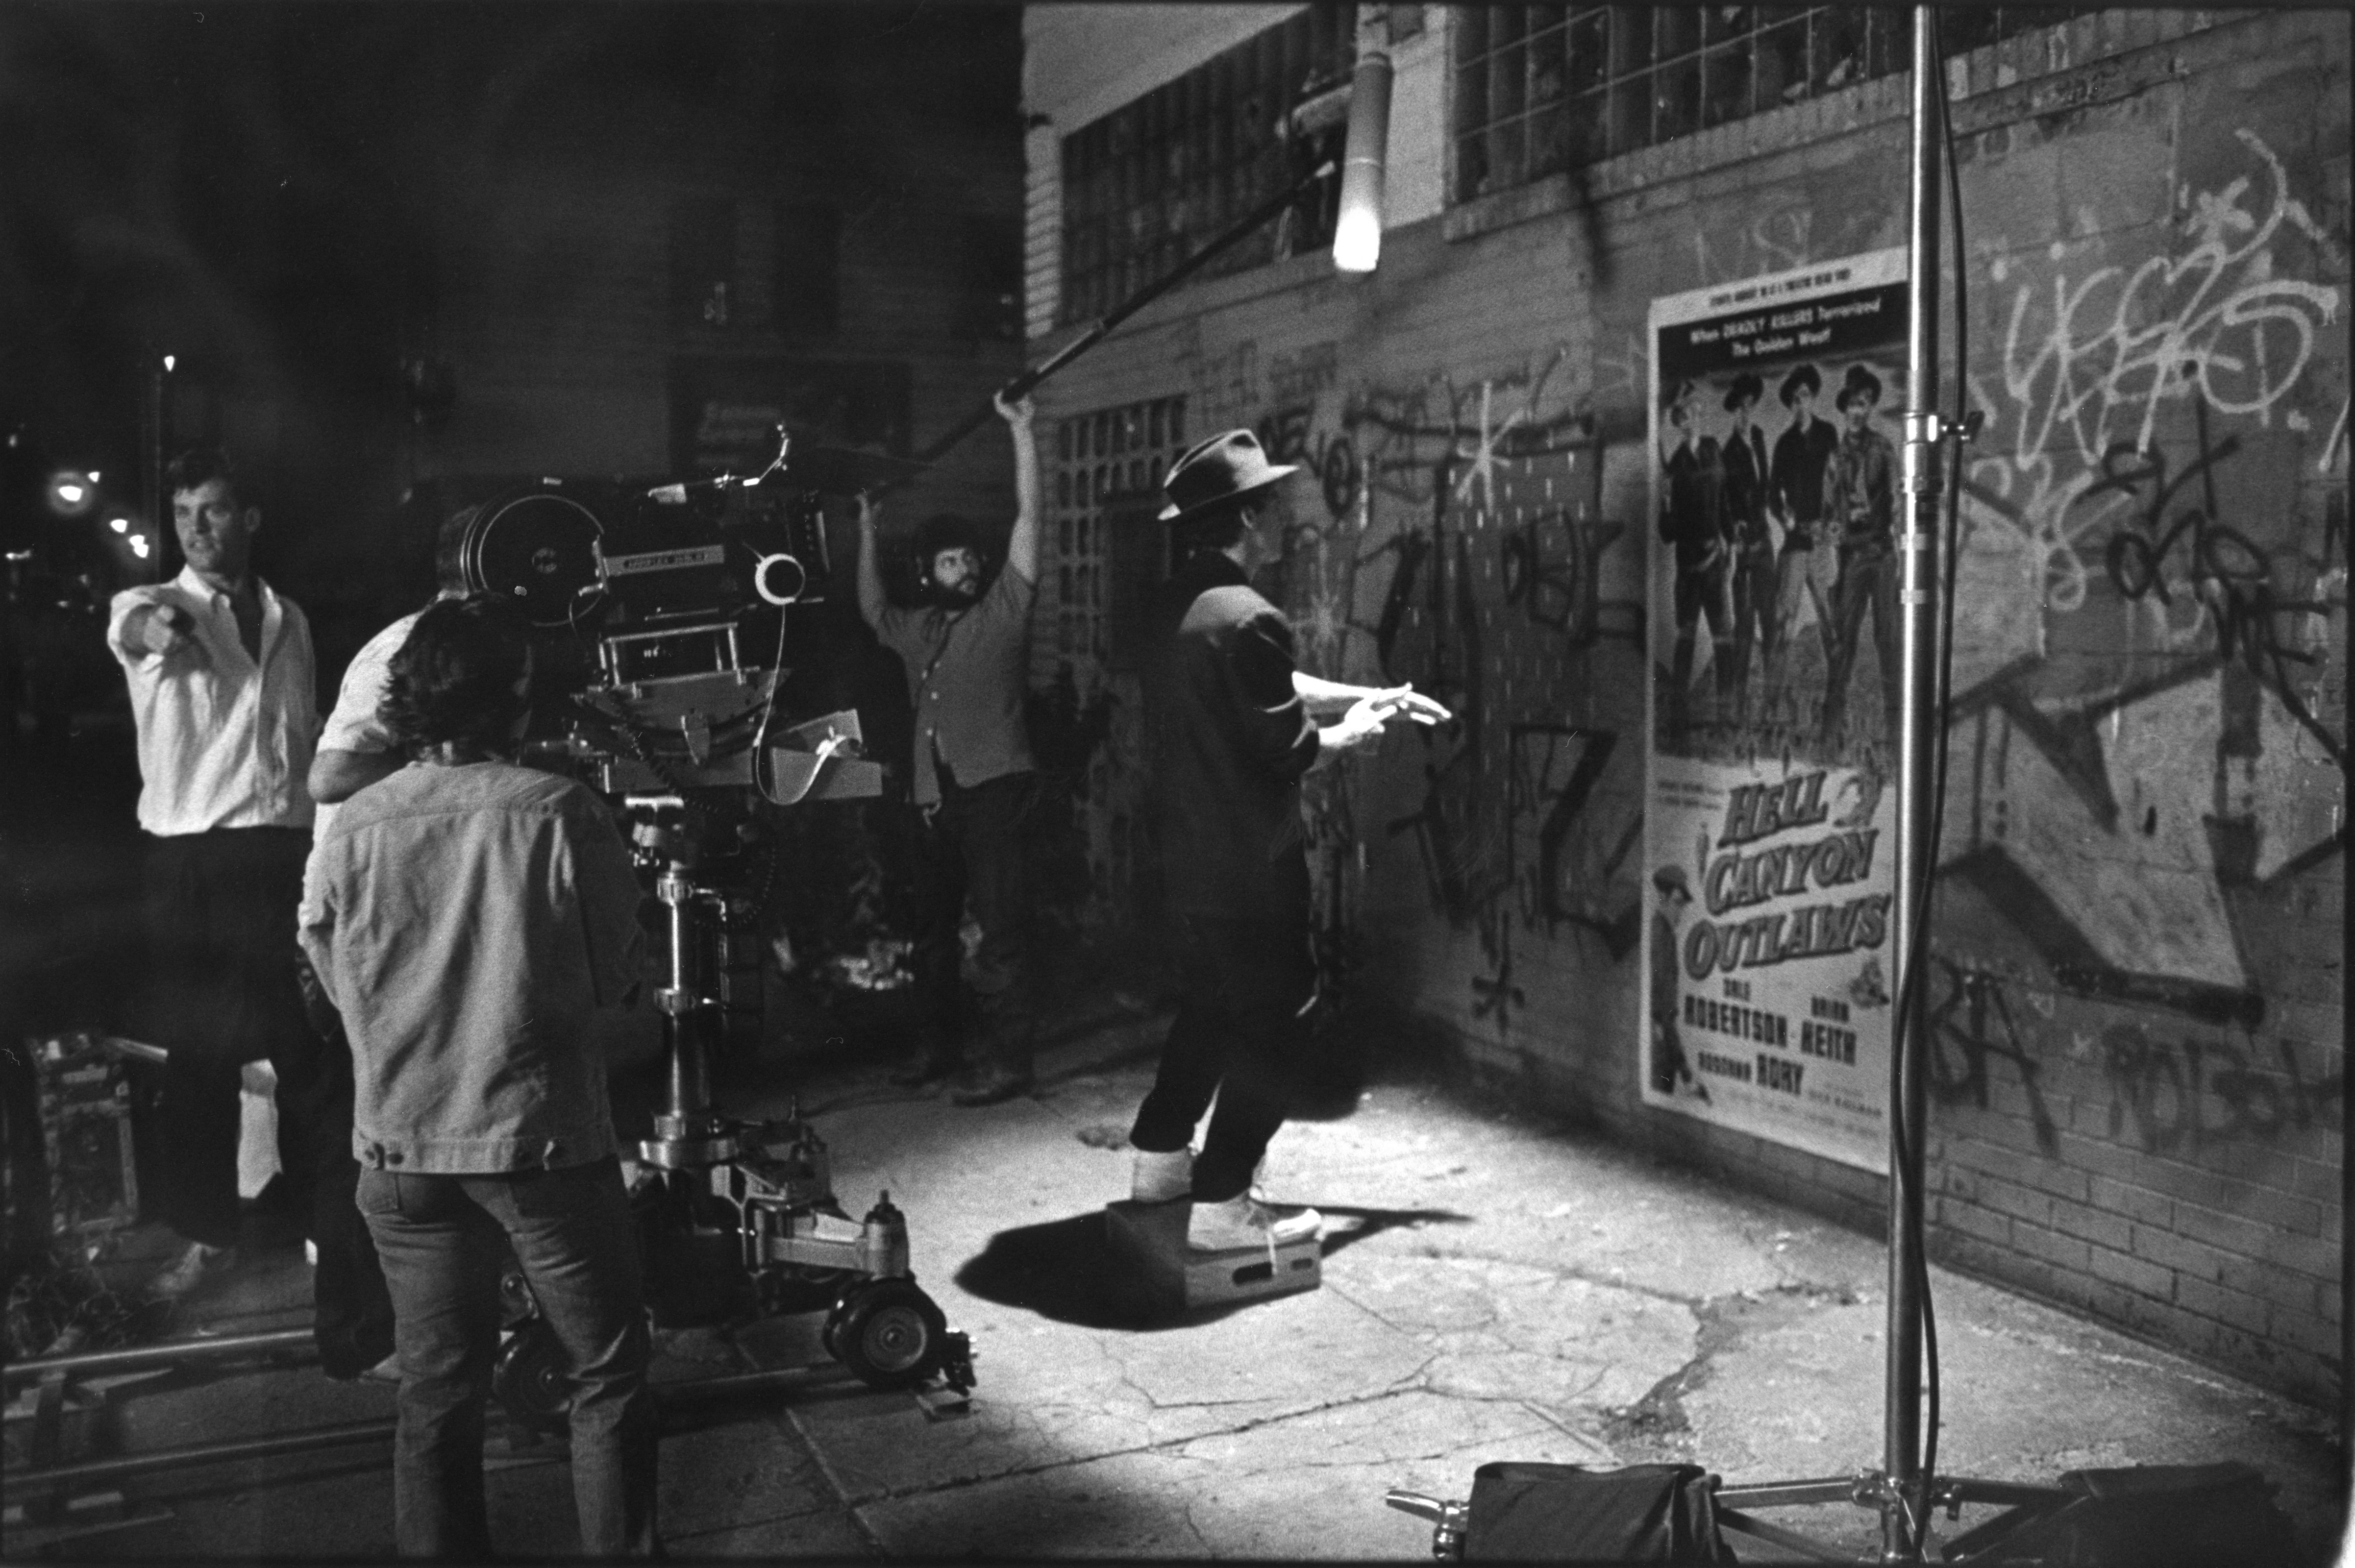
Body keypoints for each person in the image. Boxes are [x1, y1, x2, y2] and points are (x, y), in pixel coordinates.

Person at [298, 596, 657, 1559]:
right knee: (608, 1374)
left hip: (400, 1154)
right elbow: (618, 975)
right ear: (516, 697)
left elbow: (335, 980)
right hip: (537, 1147)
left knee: (436, 1388)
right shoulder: (558, 812)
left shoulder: (354, 827)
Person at [1126, 429, 1448, 1251]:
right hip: (1249, 865)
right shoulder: (1253, 615)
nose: (1279, 521)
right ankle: (1226, 1202)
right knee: (1279, 1019)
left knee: (1209, 1003)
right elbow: (1290, 746)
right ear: (1249, 519)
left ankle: (1161, 1158)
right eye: (1270, 506)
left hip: (1182, 862)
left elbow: (1270, 686)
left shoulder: (1179, 607)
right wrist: (1359, 732)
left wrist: (1371, 692)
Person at [105, 447, 322, 1301]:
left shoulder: (288, 616)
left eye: (216, 511)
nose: (197, 529)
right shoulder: (149, 603)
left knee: (305, 1049)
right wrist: (161, 632)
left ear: (251, 519)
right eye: (185, 513)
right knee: (202, 1058)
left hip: (284, 856)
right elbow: (135, 633)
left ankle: (318, 1226)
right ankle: (209, 1236)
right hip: (192, 862)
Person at [288, 507, 487, 1382]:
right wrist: (453, 760)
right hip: (350, 926)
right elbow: (329, 775)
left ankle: (417, 1327)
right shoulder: (412, 648)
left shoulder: (465, 646)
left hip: (398, 917)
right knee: (361, 1141)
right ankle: (362, 1335)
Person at [856, 392, 1042, 1107]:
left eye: (970, 559)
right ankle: (937, 1050)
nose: (965, 569)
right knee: (931, 938)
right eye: (950, 562)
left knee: (1000, 937)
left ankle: (1010, 1063)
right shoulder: (917, 630)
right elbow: (872, 609)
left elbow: (1029, 524)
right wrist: (868, 530)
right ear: (928, 574)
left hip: (997, 794)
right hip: (933, 803)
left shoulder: (1004, 611)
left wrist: (1022, 435)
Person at [1818, 365, 1901, 748]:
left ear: (1870, 409)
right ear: (1845, 409)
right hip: (1851, 560)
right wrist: (1833, 527)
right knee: (1842, 644)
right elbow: (1825, 512)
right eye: (1851, 404)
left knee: (1888, 641)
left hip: (1882, 556)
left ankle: (1896, 734)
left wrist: (1897, 538)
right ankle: (1828, 733)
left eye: (1863, 404)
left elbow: (1899, 501)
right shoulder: (1834, 458)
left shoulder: (1883, 450)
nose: (1856, 411)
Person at [1763, 364, 1840, 724]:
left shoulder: (1827, 435)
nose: (1800, 404)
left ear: (1812, 398)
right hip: (1795, 545)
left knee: (1831, 624)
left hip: (1821, 543)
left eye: (1805, 397)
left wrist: (1831, 524)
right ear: (1790, 404)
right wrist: (1784, 518)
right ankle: (1770, 708)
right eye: (1794, 400)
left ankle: (1834, 709)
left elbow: (1838, 484)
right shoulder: (1784, 443)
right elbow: (1771, 494)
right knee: (1783, 622)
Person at [1658, 379, 1735, 736]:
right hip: (1688, 568)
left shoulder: (1712, 449)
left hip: (1715, 561)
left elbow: (1723, 503)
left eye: (1697, 410)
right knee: (1685, 640)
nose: (1695, 416)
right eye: (1688, 412)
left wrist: (1731, 543)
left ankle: (1726, 718)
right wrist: (1663, 500)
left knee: (1723, 639)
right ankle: (1677, 719)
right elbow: (1667, 533)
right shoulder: (1674, 465)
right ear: (1679, 420)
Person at [1717, 373, 1774, 725]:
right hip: (1743, 547)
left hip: (1764, 539)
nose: (1745, 415)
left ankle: (1769, 707)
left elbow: (1765, 484)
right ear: (1733, 413)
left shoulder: (1758, 438)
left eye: (1749, 408)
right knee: (1743, 625)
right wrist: (1731, 533)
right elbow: (1722, 504)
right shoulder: (1727, 453)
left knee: (1769, 621)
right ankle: (1738, 708)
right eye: (1739, 410)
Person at [1647, 867, 1707, 1102]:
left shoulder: (1662, 933)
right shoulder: (1661, 937)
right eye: (1677, 903)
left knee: (1662, 1097)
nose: (1680, 913)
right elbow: (1664, 1010)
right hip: (1663, 1048)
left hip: (1664, 1045)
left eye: (1683, 905)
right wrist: (1687, 1075)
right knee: (1661, 1095)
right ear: (1662, 898)